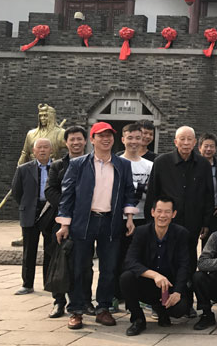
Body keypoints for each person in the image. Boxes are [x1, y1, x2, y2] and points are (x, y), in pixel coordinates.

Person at [56, 121, 138, 330]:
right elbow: (67, 195)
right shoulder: (79, 164)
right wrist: (64, 224)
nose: (106, 139)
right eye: (100, 135)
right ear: (92, 140)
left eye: (109, 135)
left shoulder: (122, 165)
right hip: (84, 221)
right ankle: (76, 310)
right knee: (79, 267)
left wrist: (129, 217)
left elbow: (129, 192)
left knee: (109, 268)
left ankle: (103, 308)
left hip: (111, 221)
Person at [145, 126, 214, 317]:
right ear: (175, 142)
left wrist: (206, 222)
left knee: (188, 262)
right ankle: (159, 303)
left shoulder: (203, 164)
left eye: (189, 139)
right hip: (166, 223)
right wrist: (151, 220)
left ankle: (187, 302)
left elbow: (208, 195)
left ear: (195, 143)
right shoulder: (162, 162)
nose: (185, 143)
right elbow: (153, 192)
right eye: (182, 139)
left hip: (192, 223)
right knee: (163, 260)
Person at [120, 197, 191, 336]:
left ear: (174, 214)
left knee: (180, 309)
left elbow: (184, 265)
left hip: (169, 286)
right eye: (159, 211)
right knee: (126, 278)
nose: (162, 215)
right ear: (152, 212)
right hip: (147, 283)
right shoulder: (141, 232)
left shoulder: (181, 233)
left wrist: (177, 292)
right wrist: (154, 275)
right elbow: (130, 261)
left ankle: (162, 311)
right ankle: (138, 319)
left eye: (167, 212)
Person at [45, 125, 90, 318]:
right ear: (66, 142)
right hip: (61, 220)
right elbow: (50, 190)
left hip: (85, 221)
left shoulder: (92, 164)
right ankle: (59, 301)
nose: (76, 142)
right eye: (72, 139)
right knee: (59, 261)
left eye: (79, 139)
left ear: (85, 141)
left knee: (85, 263)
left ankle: (85, 301)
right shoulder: (57, 166)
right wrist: (69, 209)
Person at [116, 123, 154, 309]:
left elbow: (153, 193)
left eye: (137, 138)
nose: (134, 141)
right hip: (117, 218)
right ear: (123, 139)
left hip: (142, 219)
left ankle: (140, 295)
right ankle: (116, 295)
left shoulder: (150, 166)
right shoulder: (115, 162)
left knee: (140, 257)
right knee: (116, 257)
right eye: (129, 138)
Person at [11, 137, 54, 296]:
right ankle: (27, 284)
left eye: (46, 147)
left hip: (51, 211)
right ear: (34, 151)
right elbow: (17, 191)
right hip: (30, 211)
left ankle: (49, 283)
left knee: (50, 249)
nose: (42, 150)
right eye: (39, 147)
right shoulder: (23, 169)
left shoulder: (57, 168)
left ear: (51, 150)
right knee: (29, 250)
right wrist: (27, 205)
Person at [198, 132, 217, 247]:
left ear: (215, 149)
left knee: (210, 245)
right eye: (206, 146)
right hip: (195, 211)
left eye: (211, 146)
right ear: (199, 148)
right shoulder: (194, 165)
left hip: (214, 212)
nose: (208, 149)